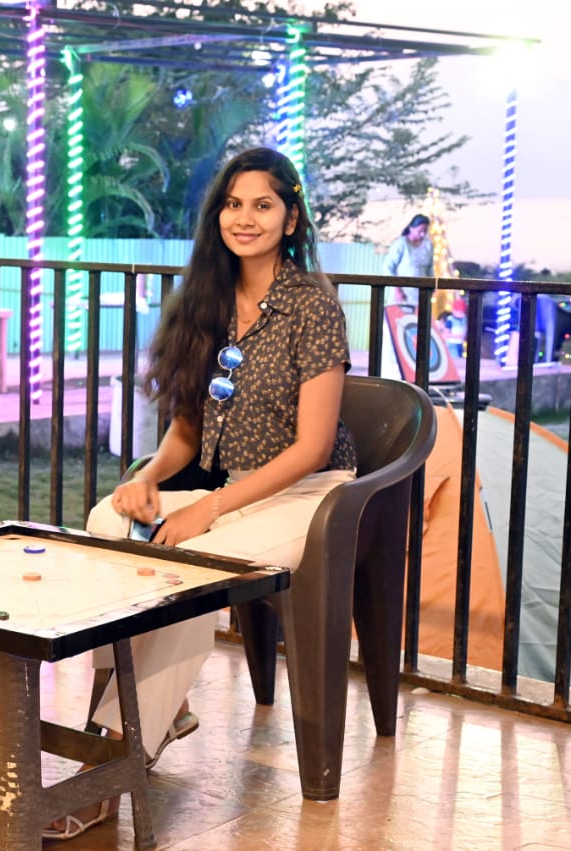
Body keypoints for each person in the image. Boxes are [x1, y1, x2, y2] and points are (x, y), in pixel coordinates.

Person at [46, 148, 357, 840]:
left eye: (263, 205)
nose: (245, 218)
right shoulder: (208, 301)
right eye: (233, 204)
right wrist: (147, 479)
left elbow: (312, 446)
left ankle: (112, 758)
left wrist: (206, 509)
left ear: (291, 218)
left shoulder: (312, 304)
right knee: (107, 523)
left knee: (194, 563)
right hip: (227, 487)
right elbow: (188, 429)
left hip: (311, 493)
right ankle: (153, 703)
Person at [382, 213, 433, 306]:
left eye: (425, 231)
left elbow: (430, 269)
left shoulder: (428, 245)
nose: (422, 234)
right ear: (411, 228)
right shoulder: (401, 244)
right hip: (402, 295)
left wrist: (431, 288)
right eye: (420, 231)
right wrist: (397, 290)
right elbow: (387, 267)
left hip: (421, 295)